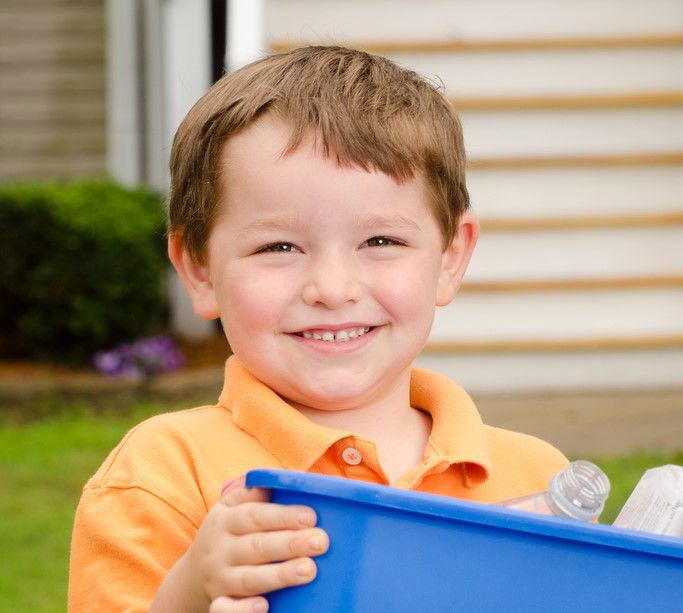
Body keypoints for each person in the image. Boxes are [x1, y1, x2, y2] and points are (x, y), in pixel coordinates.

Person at [68, 46, 568, 612]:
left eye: (380, 241)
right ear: (200, 270)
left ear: (450, 257)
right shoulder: (162, 474)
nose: (332, 289)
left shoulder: (540, 481)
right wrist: (191, 591)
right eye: (278, 247)